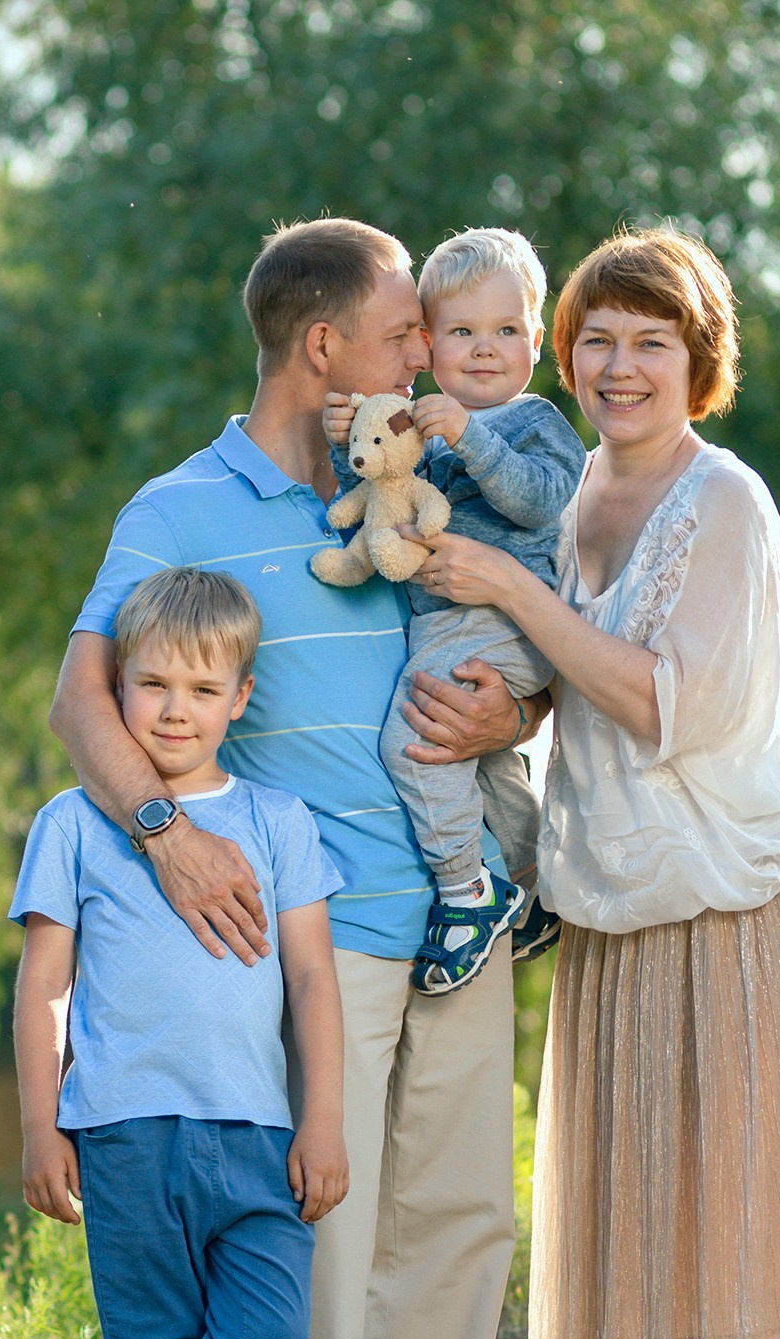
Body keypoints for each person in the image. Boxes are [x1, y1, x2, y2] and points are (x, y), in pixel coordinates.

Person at [46, 218, 541, 1339]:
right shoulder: (178, 510)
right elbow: (83, 699)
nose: (428, 356)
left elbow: (530, 623)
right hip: (310, 939)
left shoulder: (435, 479)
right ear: (323, 348)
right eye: (402, 333)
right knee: (322, 1235)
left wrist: (524, 702)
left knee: (458, 1222)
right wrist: (163, 832)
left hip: (461, 913)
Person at [402, 225, 780, 1339]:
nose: (620, 367)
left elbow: (673, 701)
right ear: (569, 356)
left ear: (699, 360)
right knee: (659, 1210)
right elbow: (570, 675)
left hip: (736, 890)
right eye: (598, 341)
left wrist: (502, 592)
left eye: (651, 342)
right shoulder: (576, 496)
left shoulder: (722, 501)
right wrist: (510, 704)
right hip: (617, 895)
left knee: (735, 1208)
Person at [6, 566, 350, 1339]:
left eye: (200, 689)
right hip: (123, 1130)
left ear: (239, 697)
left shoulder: (278, 820)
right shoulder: (72, 822)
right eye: (148, 683)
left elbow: (311, 981)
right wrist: (39, 1118)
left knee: (268, 1337)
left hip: (254, 1133)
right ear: (113, 694)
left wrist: (324, 1117)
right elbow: (44, 986)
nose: (171, 707)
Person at [320, 227, 587, 997]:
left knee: (415, 741)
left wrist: (471, 438)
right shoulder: (420, 423)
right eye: (463, 332)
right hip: (444, 623)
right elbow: (382, 495)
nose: (484, 349)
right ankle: (534, 888)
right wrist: (350, 444)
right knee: (483, 765)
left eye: (506, 331)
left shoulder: (534, 422)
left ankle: (469, 891)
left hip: (504, 622)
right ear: (429, 345)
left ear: (535, 342)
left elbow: (539, 500)